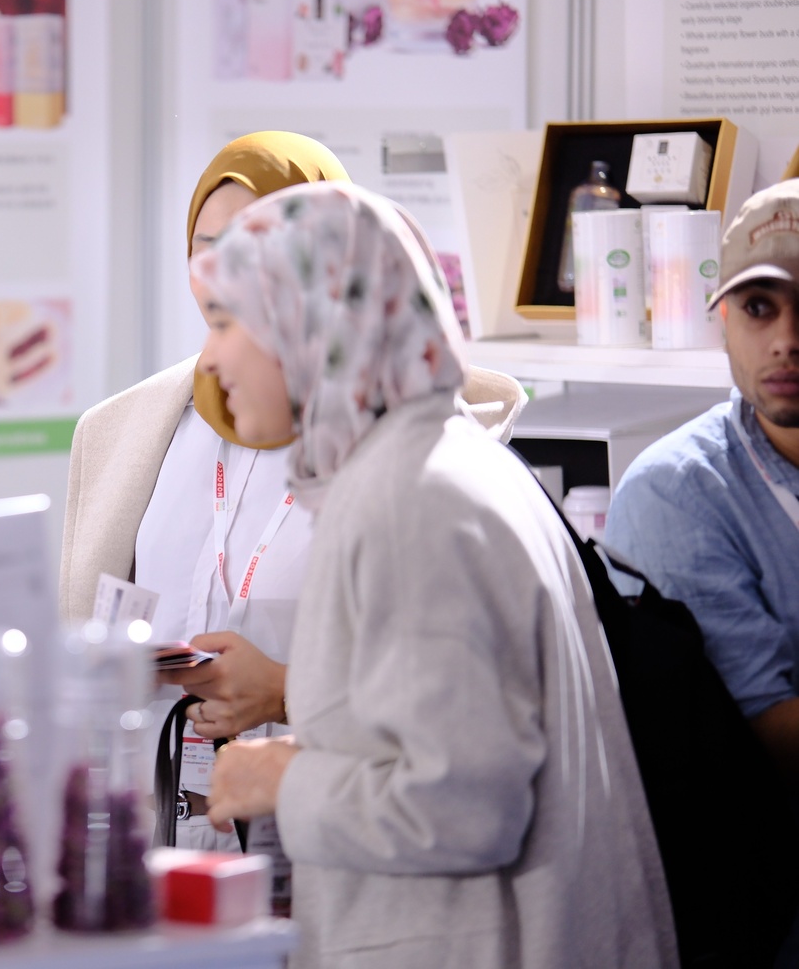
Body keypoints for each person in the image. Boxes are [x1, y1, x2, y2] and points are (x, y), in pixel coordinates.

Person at [197, 183, 676, 966]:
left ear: (310, 317)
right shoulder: (444, 464)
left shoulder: (410, 497)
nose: (210, 356)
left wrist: (281, 779)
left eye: (226, 321)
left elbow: (461, 809)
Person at [59, 132, 526, 878]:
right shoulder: (127, 429)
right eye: (208, 253)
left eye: (250, 279)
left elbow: (463, 790)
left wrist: (283, 710)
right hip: (160, 847)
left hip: (338, 868)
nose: (214, 330)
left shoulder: (418, 483)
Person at [605, 179, 799, 781]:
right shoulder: (678, 493)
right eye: (759, 308)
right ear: (724, 323)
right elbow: (769, 734)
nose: (787, 342)